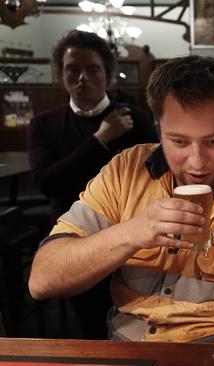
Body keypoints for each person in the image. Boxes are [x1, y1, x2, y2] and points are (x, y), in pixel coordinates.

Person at [28, 55, 214, 344]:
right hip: (127, 346)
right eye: (179, 142)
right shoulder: (126, 171)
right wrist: (133, 232)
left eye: (213, 142)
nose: (197, 162)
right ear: (158, 130)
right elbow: (42, 281)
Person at [27, 29, 158, 339]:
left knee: (139, 322)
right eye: (72, 69)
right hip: (75, 237)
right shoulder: (44, 124)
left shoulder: (136, 119)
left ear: (109, 74)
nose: (82, 77)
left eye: (92, 68)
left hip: (135, 237)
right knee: (91, 328)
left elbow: (157, 177)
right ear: (60, 74)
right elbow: (47, 183)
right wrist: (101, 139)